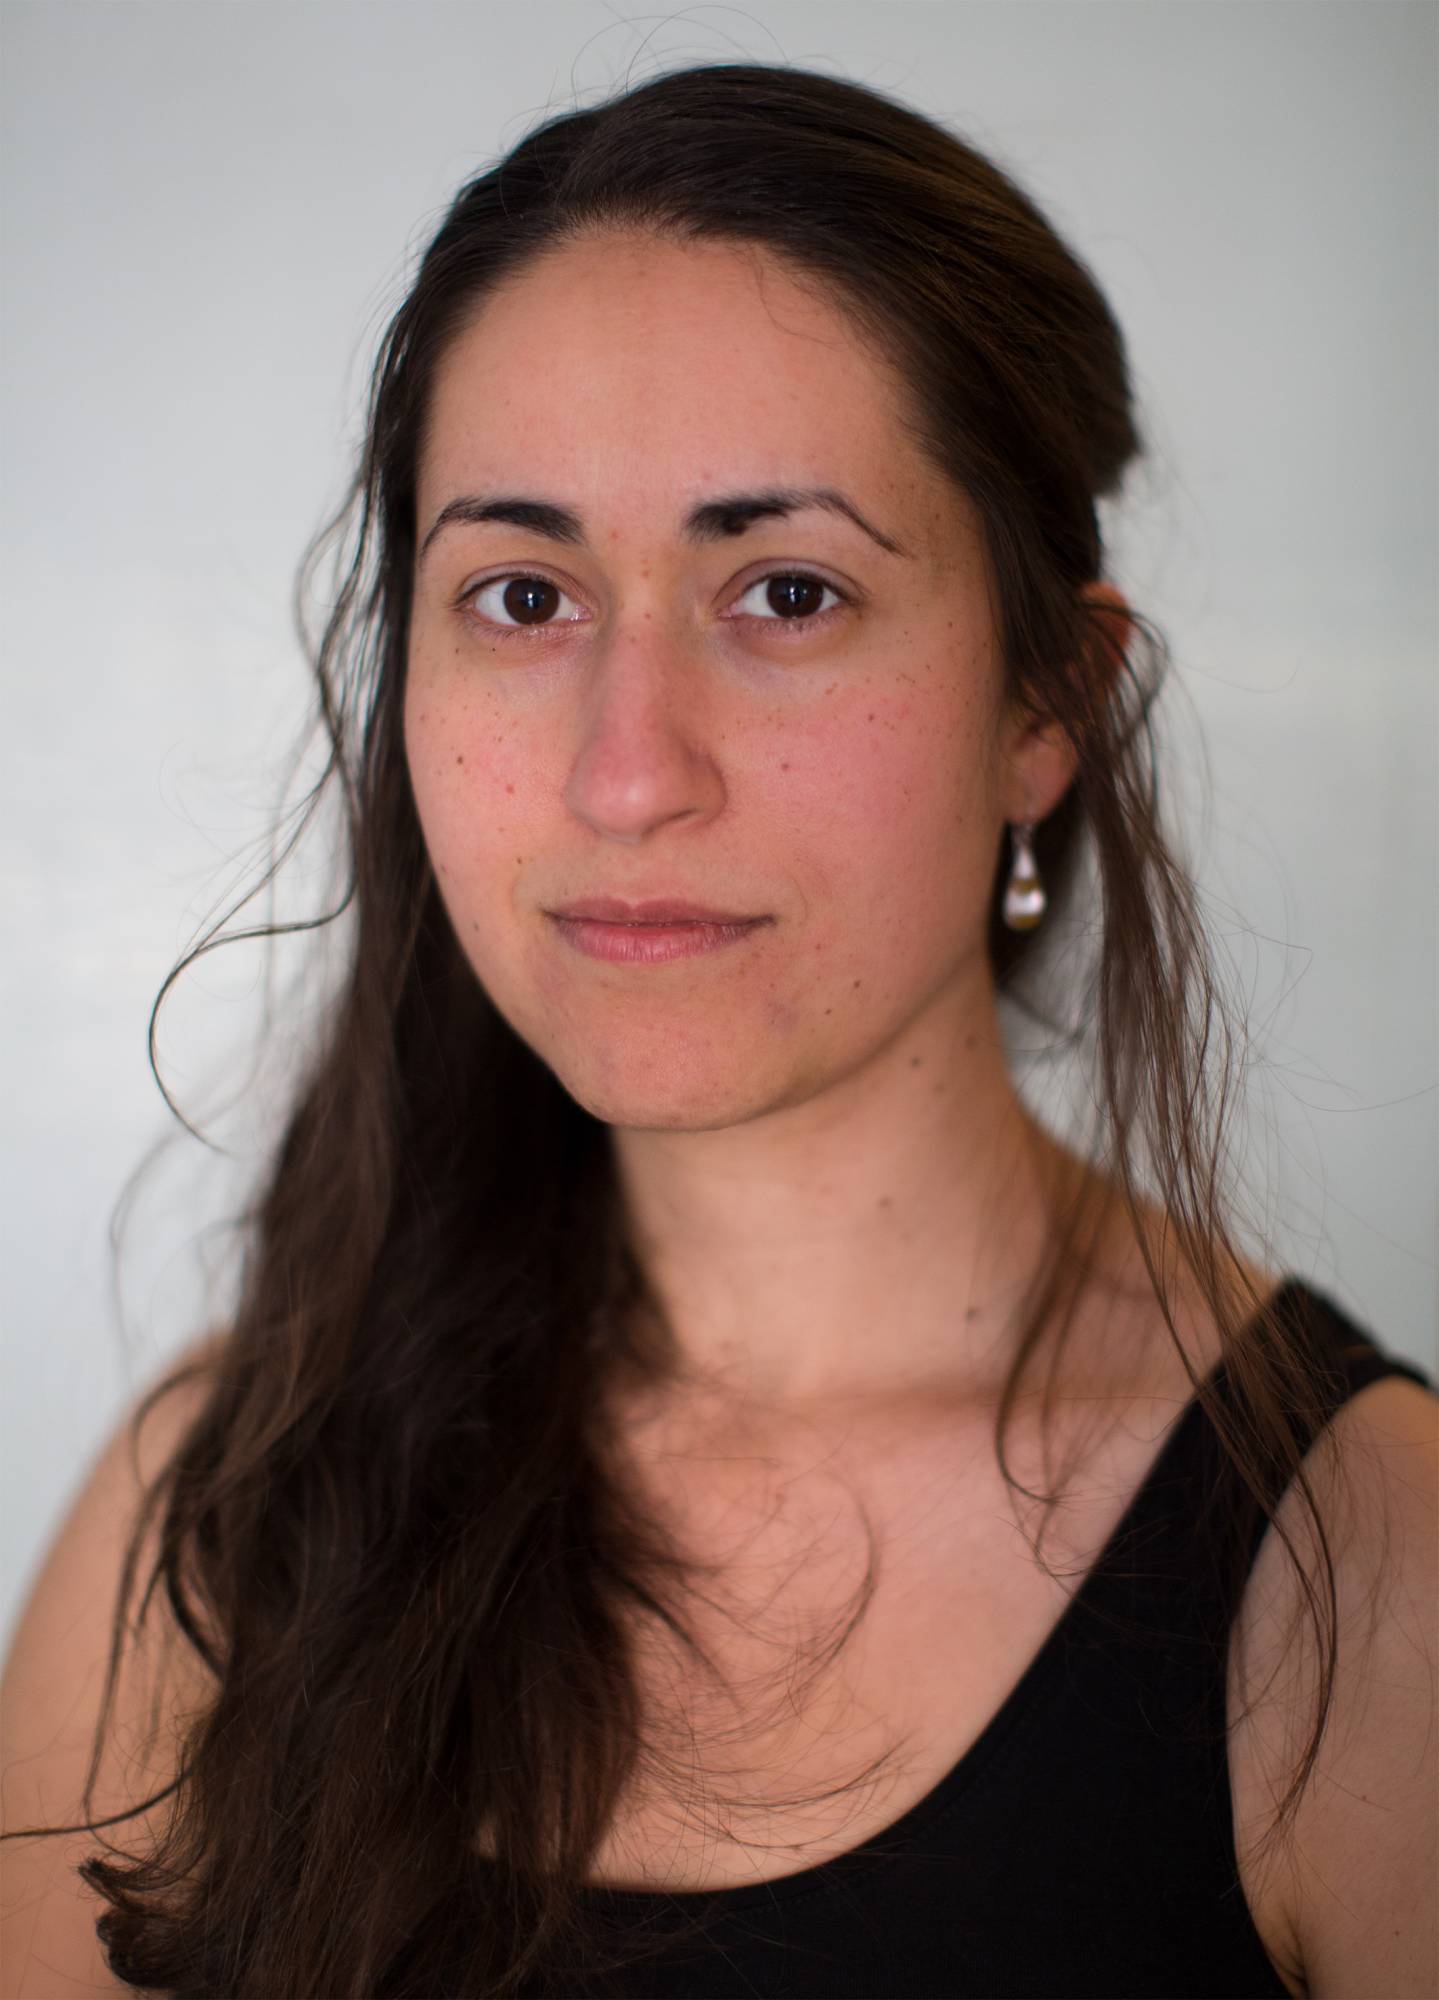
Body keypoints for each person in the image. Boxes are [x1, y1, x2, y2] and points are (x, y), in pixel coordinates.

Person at [2, 60, 1434, 2000]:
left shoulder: (1371, 1580)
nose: (627, 773)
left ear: (1049, 706)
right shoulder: (213, 1511)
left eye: (787, 592)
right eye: (523, 594)